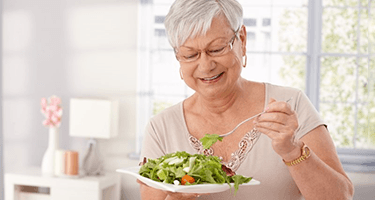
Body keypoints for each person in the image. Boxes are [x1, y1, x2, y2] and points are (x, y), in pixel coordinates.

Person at [138, 0, 354, 199]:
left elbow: (341, 196)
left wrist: (292, 150)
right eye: (190, 55)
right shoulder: (161, 128)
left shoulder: (290, 104)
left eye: (216, 49)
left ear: (241, 38)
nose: (205, 66)